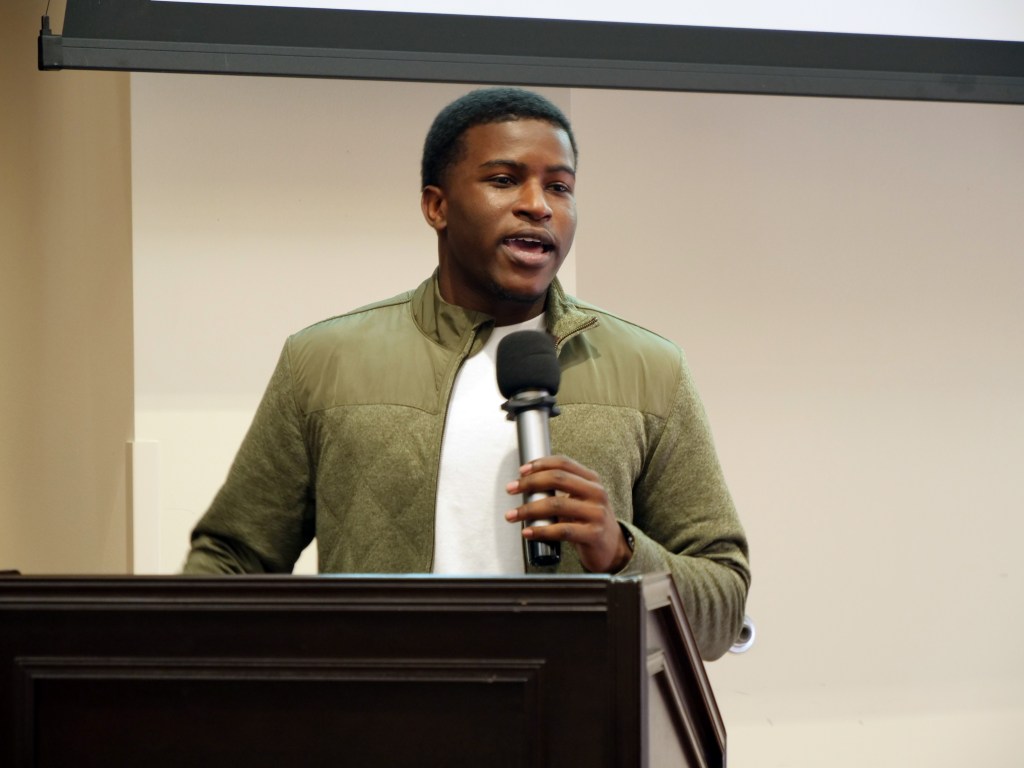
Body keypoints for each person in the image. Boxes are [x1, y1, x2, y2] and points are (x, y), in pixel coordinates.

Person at [184, 87, 749, 660]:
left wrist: (623, 553)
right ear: (437, 207)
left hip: (573, 711)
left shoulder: (650, 369)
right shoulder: (325, 360)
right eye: (504, 180)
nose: (539, 206)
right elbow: (233, 559)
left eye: (559, 186)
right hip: (383, 709)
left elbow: (722, 608)